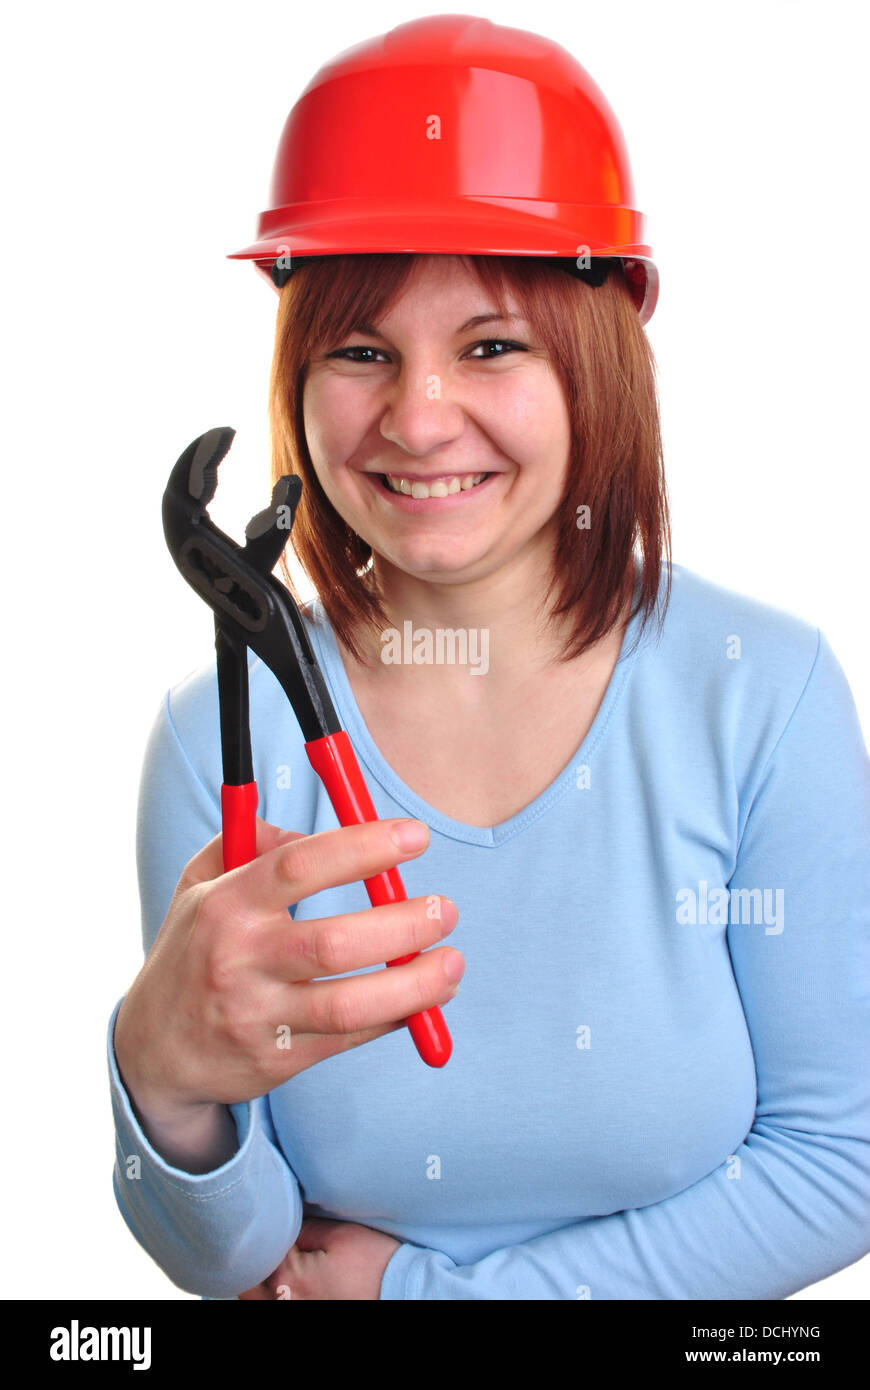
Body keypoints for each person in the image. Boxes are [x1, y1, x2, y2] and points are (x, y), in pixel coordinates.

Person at [107, 16, 870, 1300]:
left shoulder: (765, 694)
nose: (417, 418)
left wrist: (427, 1299)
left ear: (601, 357)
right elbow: (233, 1261)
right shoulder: (218, 738)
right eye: (361, 351)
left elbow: (842, 1160)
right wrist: (164, 1079)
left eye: (492, 345)